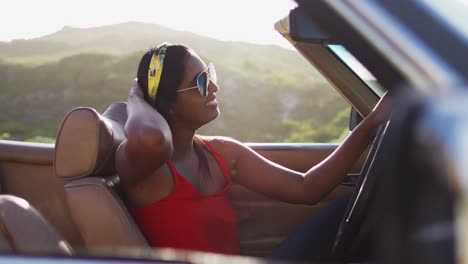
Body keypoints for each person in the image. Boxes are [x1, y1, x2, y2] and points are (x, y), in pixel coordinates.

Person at [115, 43, 391, 260]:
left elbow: (306, 188)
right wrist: (136, 98)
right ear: (169, 104)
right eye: (201, 82)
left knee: (357, 208)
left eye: (209, 74)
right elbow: (150, 138)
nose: (214, 86)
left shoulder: (221, 152)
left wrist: (371, 124)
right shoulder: (148, 168)